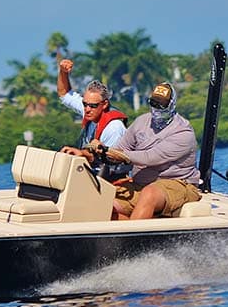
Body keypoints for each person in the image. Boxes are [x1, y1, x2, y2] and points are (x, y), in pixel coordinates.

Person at [68, 80, 202, 220]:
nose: (157, 108)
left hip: (178, 183)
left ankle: (134, 238)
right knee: (101, 201)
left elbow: (150, 157)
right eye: (154, 103)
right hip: (140, 184)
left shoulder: (183, 133)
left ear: (172, 105)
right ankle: (120, 236)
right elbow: (120, 149)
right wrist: (98, 152)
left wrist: (117, 153)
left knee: (150, 193)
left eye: (162, 105)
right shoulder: (141, 122)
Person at [56, 58, 127, 150]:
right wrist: (63, 72)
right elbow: (64, 93)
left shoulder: (114, 128)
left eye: (93, 106)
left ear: (104, 104)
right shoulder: (89, 109)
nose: (87, 109)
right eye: (85, 104)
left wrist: (82, 153)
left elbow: (113, 160)